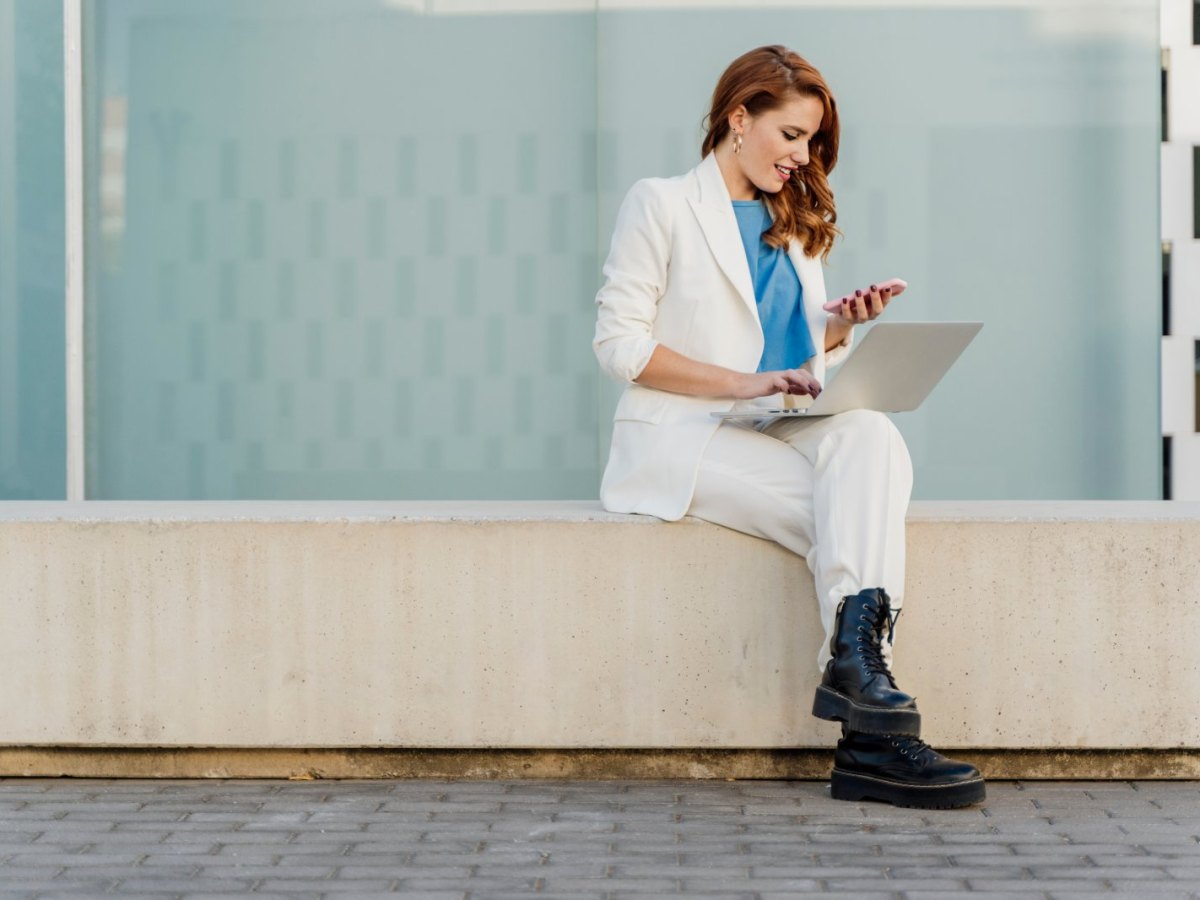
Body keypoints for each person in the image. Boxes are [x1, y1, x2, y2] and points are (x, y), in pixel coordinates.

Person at [592, 45, 985, 809]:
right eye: (792, 136)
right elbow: (620, 346)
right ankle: (875, 736)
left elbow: (795, 358)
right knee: (858, 524)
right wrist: (743, 381)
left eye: (812, 142)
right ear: (739, 118)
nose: (803, 158)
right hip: (681, 436)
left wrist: (839, 328)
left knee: (871, 435)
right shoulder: (662, 203)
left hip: (776, 422)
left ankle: (861, 696)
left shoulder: (792, 222)